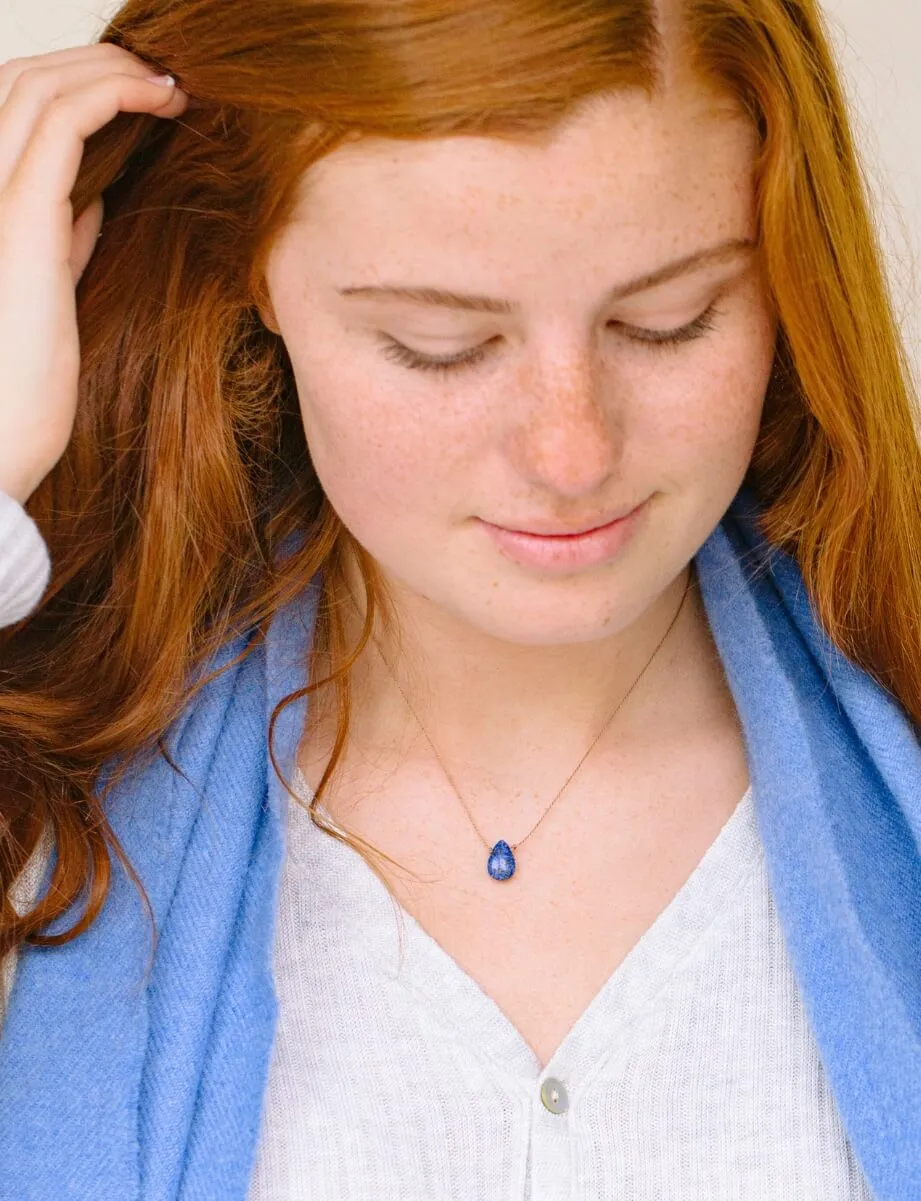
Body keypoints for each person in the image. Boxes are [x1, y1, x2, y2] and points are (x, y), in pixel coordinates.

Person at [0, 0, 919, 1197]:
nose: (571, 451)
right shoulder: (45, 801)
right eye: (439, 342)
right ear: (251, 271)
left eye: (668, 319)